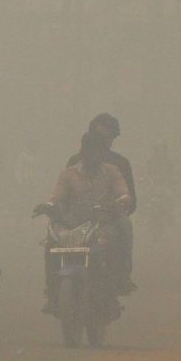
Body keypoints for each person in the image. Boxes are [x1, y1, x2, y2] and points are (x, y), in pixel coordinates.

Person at [43, 131, 133, 312]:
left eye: (97, 150)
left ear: (102, 152)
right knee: (50, 243)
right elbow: (57, 196)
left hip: (103, 224)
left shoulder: (112, 172)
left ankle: (120, 278)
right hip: (73, 226)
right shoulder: (68, 174)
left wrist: (123, 199)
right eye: (89, 150)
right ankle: (52, 290)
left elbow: (123, 191)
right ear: (82, 150)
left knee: (123, 229)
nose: (93, 155)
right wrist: (49, 205)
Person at [67, 113, 137, 292]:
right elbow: (62, 193)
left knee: (125, 226)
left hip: (108, 218)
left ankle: (123, 275)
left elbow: (130, 199)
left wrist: (120, 206)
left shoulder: (119, 164)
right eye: (98, 137)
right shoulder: (74, 162)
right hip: (78, 219)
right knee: (53, 240)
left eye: (107, 137)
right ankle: (53, 283)